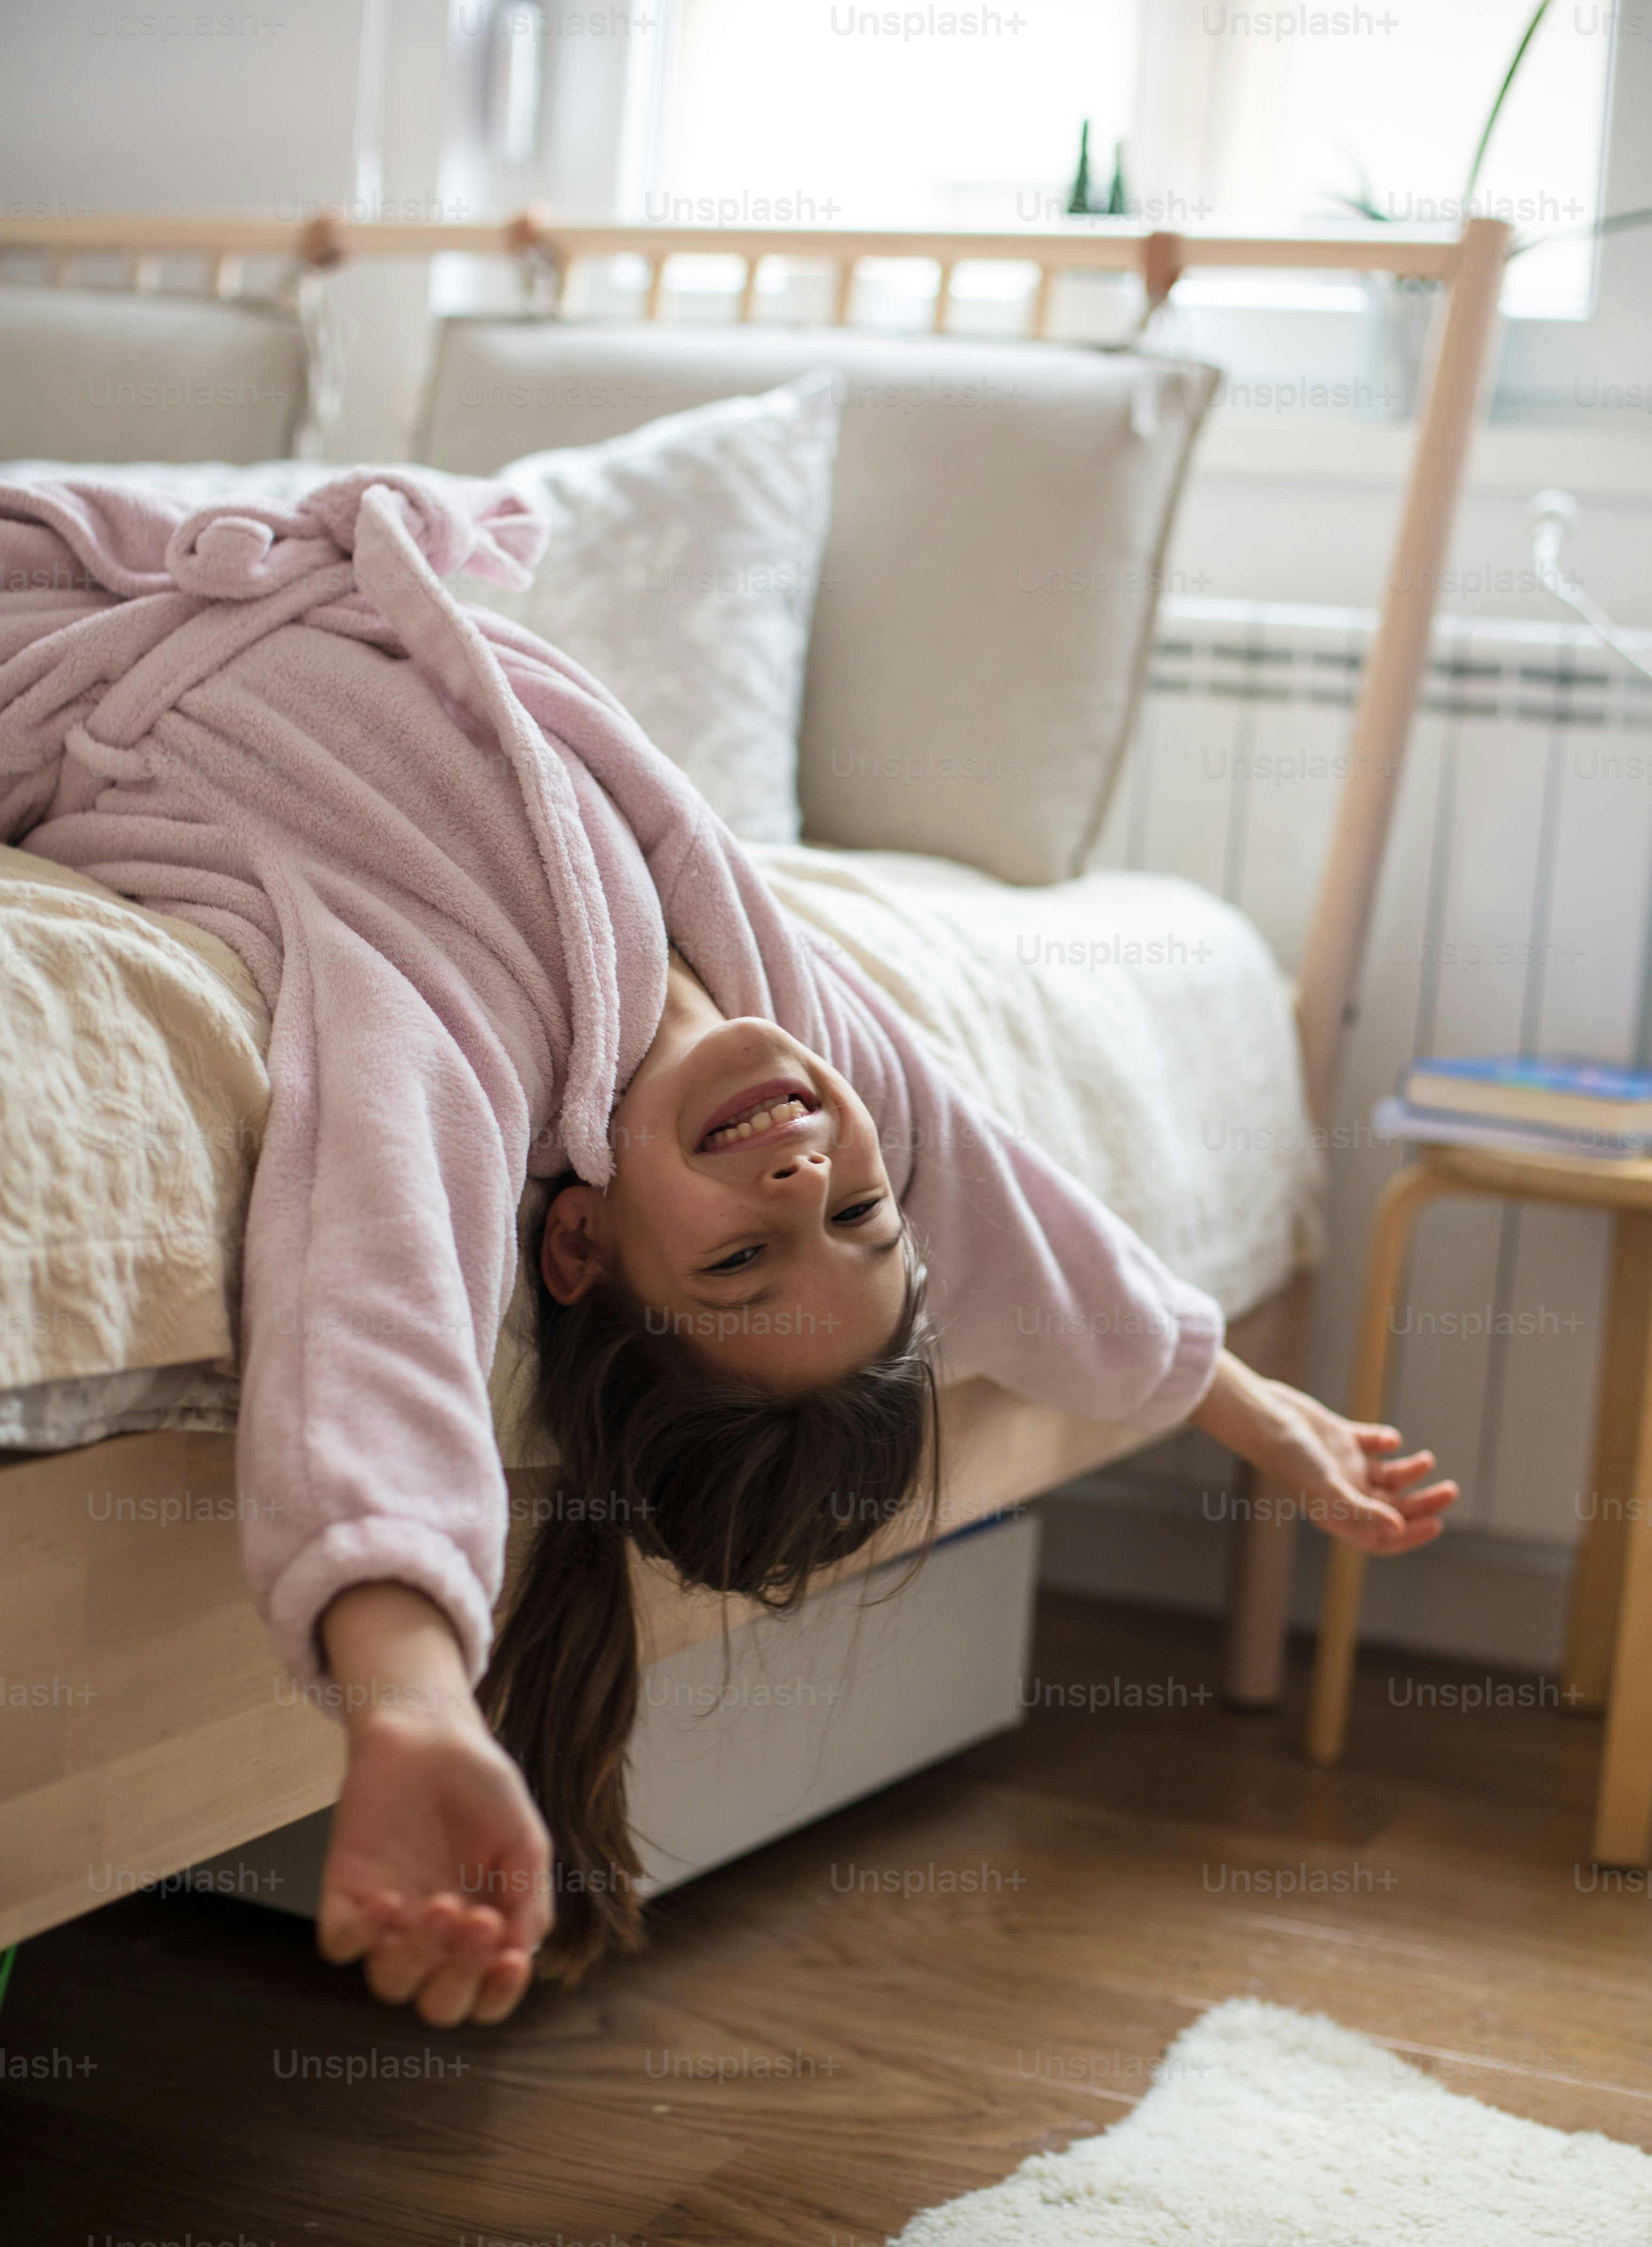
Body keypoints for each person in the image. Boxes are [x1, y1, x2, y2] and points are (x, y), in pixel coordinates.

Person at [0, 467, 1456, 2031]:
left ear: (574, 1245)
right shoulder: (798, 1011)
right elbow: (1013, 1217)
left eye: (738, 1263)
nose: (801, 1167)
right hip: (174, 548)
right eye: (850, 1214)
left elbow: (375, 1313)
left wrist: (411, 1706)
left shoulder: (450, 1039)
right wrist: (1252, 1407)